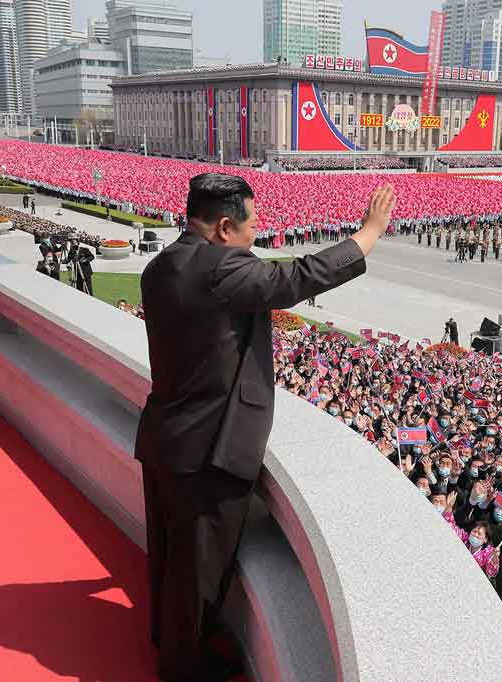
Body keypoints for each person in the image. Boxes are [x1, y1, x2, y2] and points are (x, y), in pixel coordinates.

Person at [135, 174, 396, 681]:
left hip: (165, 436)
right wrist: (366, 235)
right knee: (199, 574)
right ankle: (182, 668)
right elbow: (294, 279)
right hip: (207, 450)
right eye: (254, 227)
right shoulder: (221, 268)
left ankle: (167, 641)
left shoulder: (159, 265)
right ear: (225, 227)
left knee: (168, 558)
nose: (258, 236)